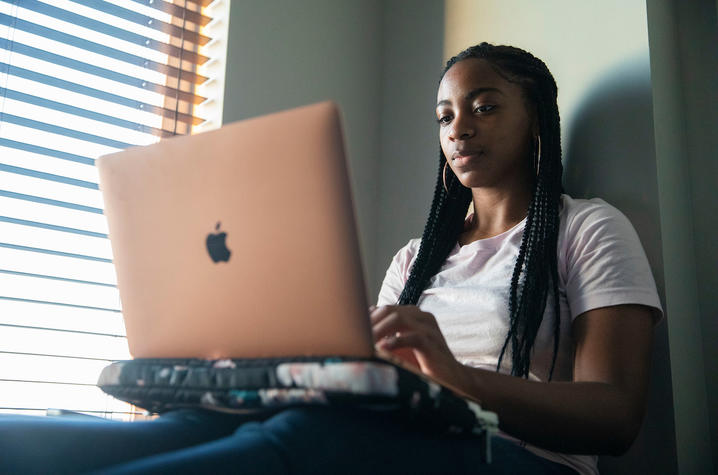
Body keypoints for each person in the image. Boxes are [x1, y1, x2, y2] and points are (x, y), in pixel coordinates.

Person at [0, 43, 660, 475]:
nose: (458, 127)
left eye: (484, 107)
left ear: (538, 122)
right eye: (444, 115)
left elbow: (616, 415)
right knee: (189, 424)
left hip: (523, 459)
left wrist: (462, 377)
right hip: (400, 429)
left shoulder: (589, 228)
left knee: (312, 439)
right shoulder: (414, 260)